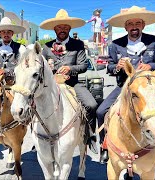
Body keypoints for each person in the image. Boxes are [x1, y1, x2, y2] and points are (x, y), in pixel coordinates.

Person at [96, 6, 155, 170]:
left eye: (138, 23)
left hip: (148, 87)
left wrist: (149, 65)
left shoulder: (153, 41)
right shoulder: (115, 44)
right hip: (124, 87)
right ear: (126, 27)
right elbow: (109, 67)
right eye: (131, 23)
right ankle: (105, 146)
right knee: (101, 111)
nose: (134, 26)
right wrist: (117, 67)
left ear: (143, 25)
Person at [40, 9, 98, 154]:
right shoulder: (46, 47)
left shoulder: (78, 45)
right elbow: (40, 67)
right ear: (55, 29)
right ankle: (38, 136)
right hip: (51, 86)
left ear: (69, 28)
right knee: (34, 103)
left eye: (65, 27)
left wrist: (69, 68)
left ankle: (90, 135)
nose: (62, 30)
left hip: (72, 84)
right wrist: (49, 70)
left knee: (91, 104)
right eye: (59, 27)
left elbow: (83, 66)